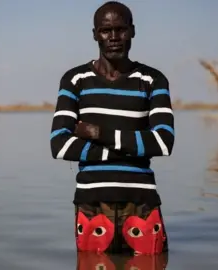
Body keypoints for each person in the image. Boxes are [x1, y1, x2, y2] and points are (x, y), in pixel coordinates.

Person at [49, 1, 174, 255]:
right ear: (95, 34)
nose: (114, 37)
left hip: (142, 205)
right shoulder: (75, 80)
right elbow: (59, 145)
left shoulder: (152, 80)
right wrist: (128, 150)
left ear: (133, 31)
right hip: (91, 206)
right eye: (106, 30)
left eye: (121, 29)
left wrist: (98, 134)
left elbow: (163, 142)